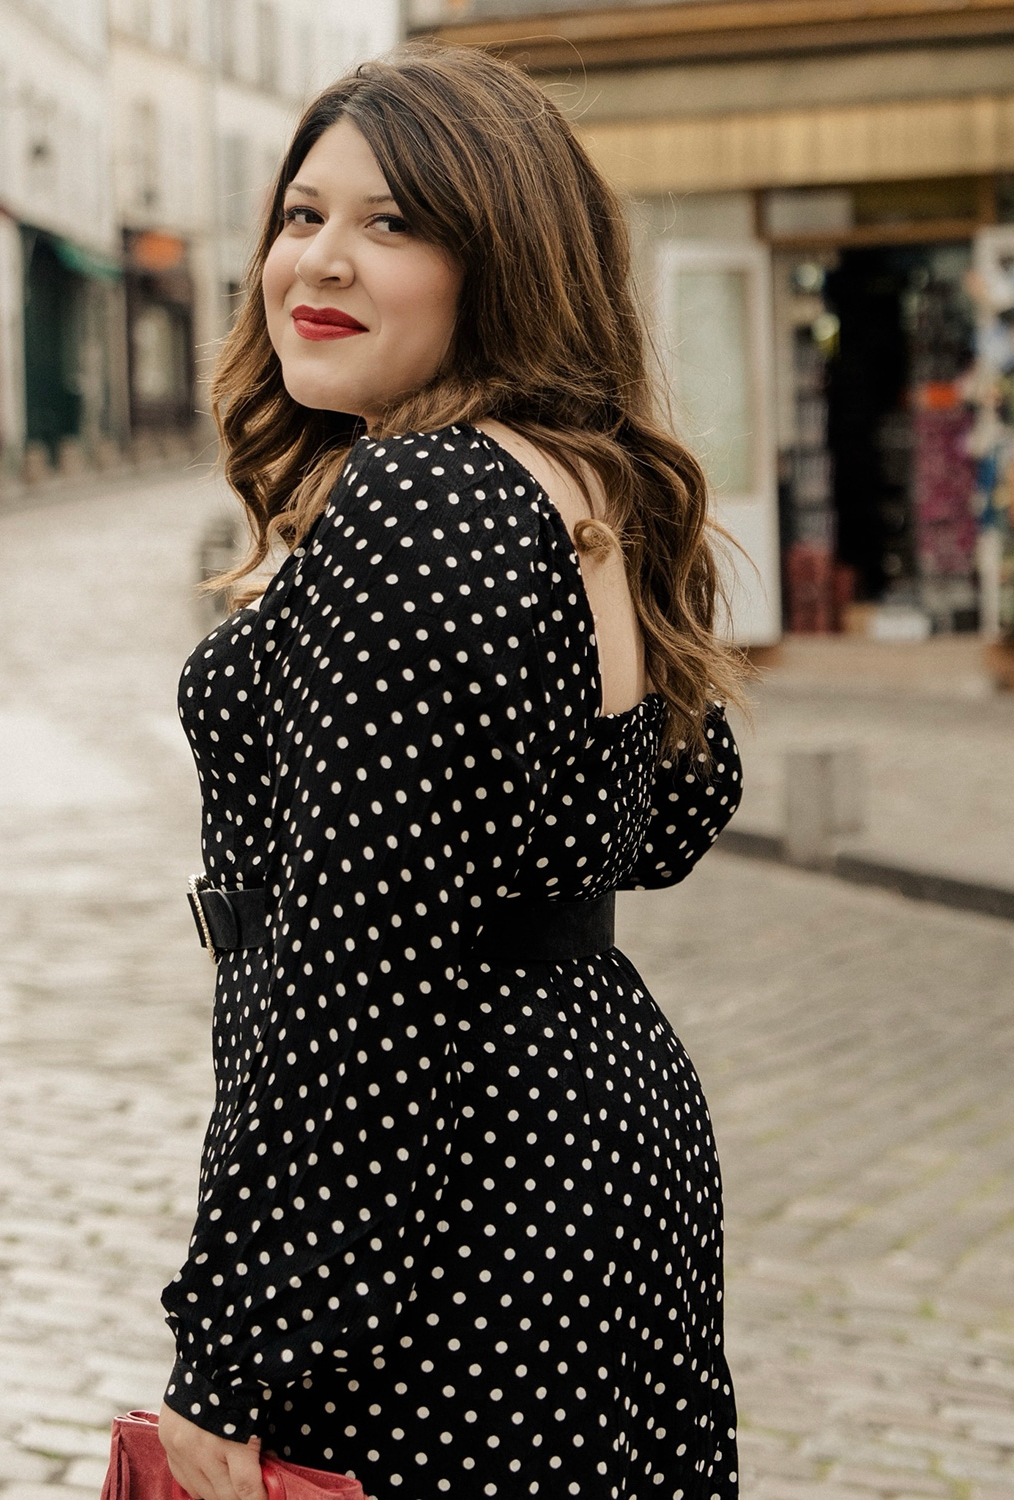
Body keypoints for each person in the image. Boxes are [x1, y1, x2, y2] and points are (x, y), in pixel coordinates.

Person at [158, 43, 748, 1500]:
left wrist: (236, 1355)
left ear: (504, 262)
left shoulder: (423, 498)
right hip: (594, 1134)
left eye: (394, 223)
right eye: (303, 214)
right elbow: (670, 815)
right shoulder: (573, 487)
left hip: (449, 1195)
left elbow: (354, 975)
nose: (323, 260)